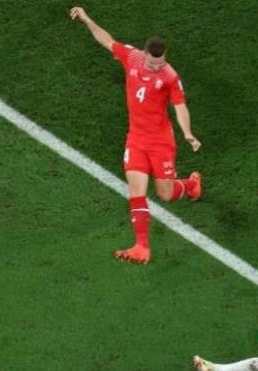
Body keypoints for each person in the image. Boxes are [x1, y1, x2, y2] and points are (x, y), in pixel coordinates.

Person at [69, 6, 203, 264]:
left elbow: (180, 106)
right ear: (145, 54)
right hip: (137, 139)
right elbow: (108, 41)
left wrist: (187, 133)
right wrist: (86, 19)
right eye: (152, 63)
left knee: (165, 194)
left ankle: (191, 185)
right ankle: (141, 246)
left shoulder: (170, 77)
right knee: (136, 191)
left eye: (160, 63)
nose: (156, 67)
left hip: (161, 142)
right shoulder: (132, 58)